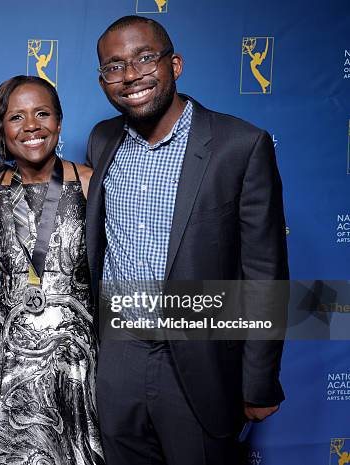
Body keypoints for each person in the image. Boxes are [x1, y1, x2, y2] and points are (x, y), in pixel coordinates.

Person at [87, 16, 288, 465]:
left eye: (144, 58)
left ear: (174, 64)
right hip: (119, 354)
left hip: (199, 358)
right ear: (103, 81)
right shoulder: (102, 141)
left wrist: (259, 382)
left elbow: (264, 272)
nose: (131, 75)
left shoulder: (240, 145)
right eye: (113, 66)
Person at [0, 75, 104, 465]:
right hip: (8, 360)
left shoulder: (91, 183)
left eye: (42, 113)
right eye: (16, 117)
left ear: (59, 123)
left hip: (74, 360)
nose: (31, 126)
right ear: (2, 129)